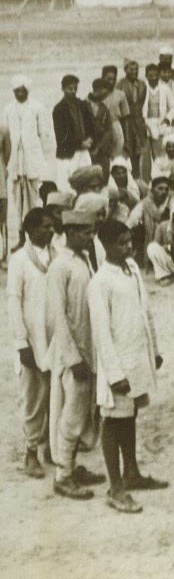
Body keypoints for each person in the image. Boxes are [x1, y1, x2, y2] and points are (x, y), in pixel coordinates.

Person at [87, 219, 168, 513]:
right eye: (120, 243)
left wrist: (154, 349)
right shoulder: (100, 282)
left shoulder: (132, 269)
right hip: (118, 364)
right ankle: (115, 486)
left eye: (129, 241)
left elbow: (145, 311)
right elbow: (102, 332)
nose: (127, 247)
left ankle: (131, 472)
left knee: (130, 414)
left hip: (137, 358)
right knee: (114, 420)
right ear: (105, 245)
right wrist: (114, 373)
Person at [45, 207, 106, 499]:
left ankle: (73, 465)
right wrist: (73, 358)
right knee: (72, 414)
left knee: (86, 414)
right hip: (75, 356)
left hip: (89, 350)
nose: (90, 237)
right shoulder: (60, 267)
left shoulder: (83, 260)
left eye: (92, 231)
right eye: (86, 233)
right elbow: (58, 316)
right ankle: (63, 475)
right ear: (70, 233)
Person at [7, 207, 55, 478]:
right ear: (30, 230)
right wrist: (21, 343)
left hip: (55, 339)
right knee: (34, 397)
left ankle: (51, 447)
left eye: (51, 227)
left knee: (55, 394)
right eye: (44, 227)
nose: (50, 231)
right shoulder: (19, 260)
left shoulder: (56, 254)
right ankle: (31, 453)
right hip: (32, 340)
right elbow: (13, 301)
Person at [4, 75, 56, 257]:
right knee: (17, 202)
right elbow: (6, 134)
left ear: (28, 91)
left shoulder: (37, 108)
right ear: (13, 92)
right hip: (15, 162)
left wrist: (38, 155)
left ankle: (36, 236)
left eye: (23, 90)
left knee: (34, 200)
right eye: (17, 90)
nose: (20, 93)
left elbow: (44, 133)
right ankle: (21, 237)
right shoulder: (8, 109)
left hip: (32, 160)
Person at [52, 74, 94, 190]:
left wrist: (90, 138)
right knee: (67, 186)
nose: (73, 91)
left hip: (84, 152)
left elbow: (90, 125)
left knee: (86, 183)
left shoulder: (83, 105)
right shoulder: (59, 109)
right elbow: (61, 136)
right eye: (70, 89)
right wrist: (80, 143)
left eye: (75, 88)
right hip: (68, 154)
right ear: (63, 89)